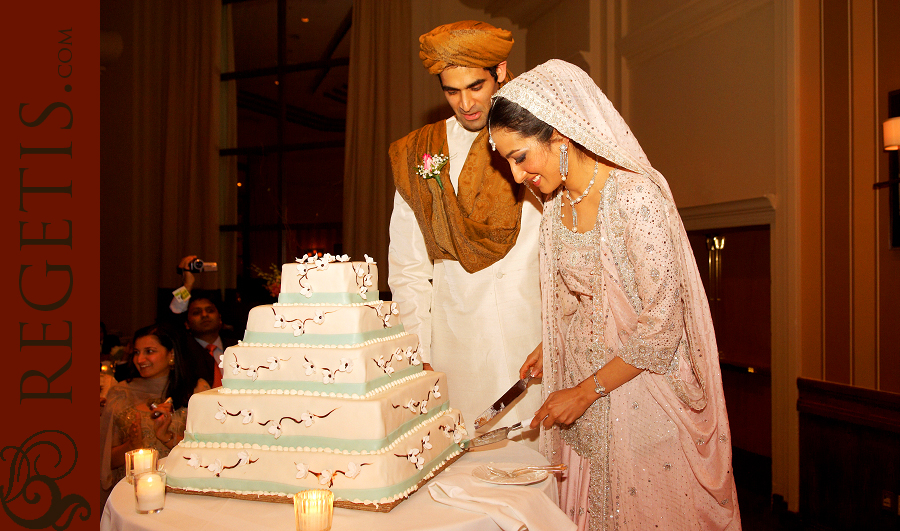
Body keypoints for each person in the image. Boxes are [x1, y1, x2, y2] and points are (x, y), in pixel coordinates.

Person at [487, 59, 741, 530]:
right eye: (507, 161)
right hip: (586, 399)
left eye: (520, 157)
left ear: (559, 136)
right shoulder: (556, 209)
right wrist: (553, 343)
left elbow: (663, 325)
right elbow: (581, 298)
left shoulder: (634, 197)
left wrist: (585, 392)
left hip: (643, 398)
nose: (517, 175)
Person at [388, 20, 542, 439]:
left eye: (476, 86)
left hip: (531, 335)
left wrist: (558, 338)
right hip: (456, 341)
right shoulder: (419, 151)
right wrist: (416, 351)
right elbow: (408, 266)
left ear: (501, 72)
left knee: (534, 465)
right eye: (451, 91)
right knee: (461, 463)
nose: (466, 103)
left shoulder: (542, 137)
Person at [100, 323, 211, 493]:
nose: (140, 360)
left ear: (171, 354)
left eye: (149, 351)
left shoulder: (197, 391)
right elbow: (105, 462)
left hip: (183, 488)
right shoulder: (120, 393)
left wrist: (167, 437)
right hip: (131, 492)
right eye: (136, 352)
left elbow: (208, 452)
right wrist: (130, 445)